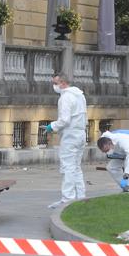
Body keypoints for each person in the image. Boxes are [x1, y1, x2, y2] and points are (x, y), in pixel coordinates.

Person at [45, 73, 87, 209]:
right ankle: (80, 196)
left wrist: (52, 126)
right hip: (80, 133)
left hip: (70, 135)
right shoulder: (79, 95)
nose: (54, 86)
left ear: (63, 83)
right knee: (76, 167)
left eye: (55, 83)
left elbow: (64, 120)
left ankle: (67, 200)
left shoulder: (66, 97)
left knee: (67, 167)